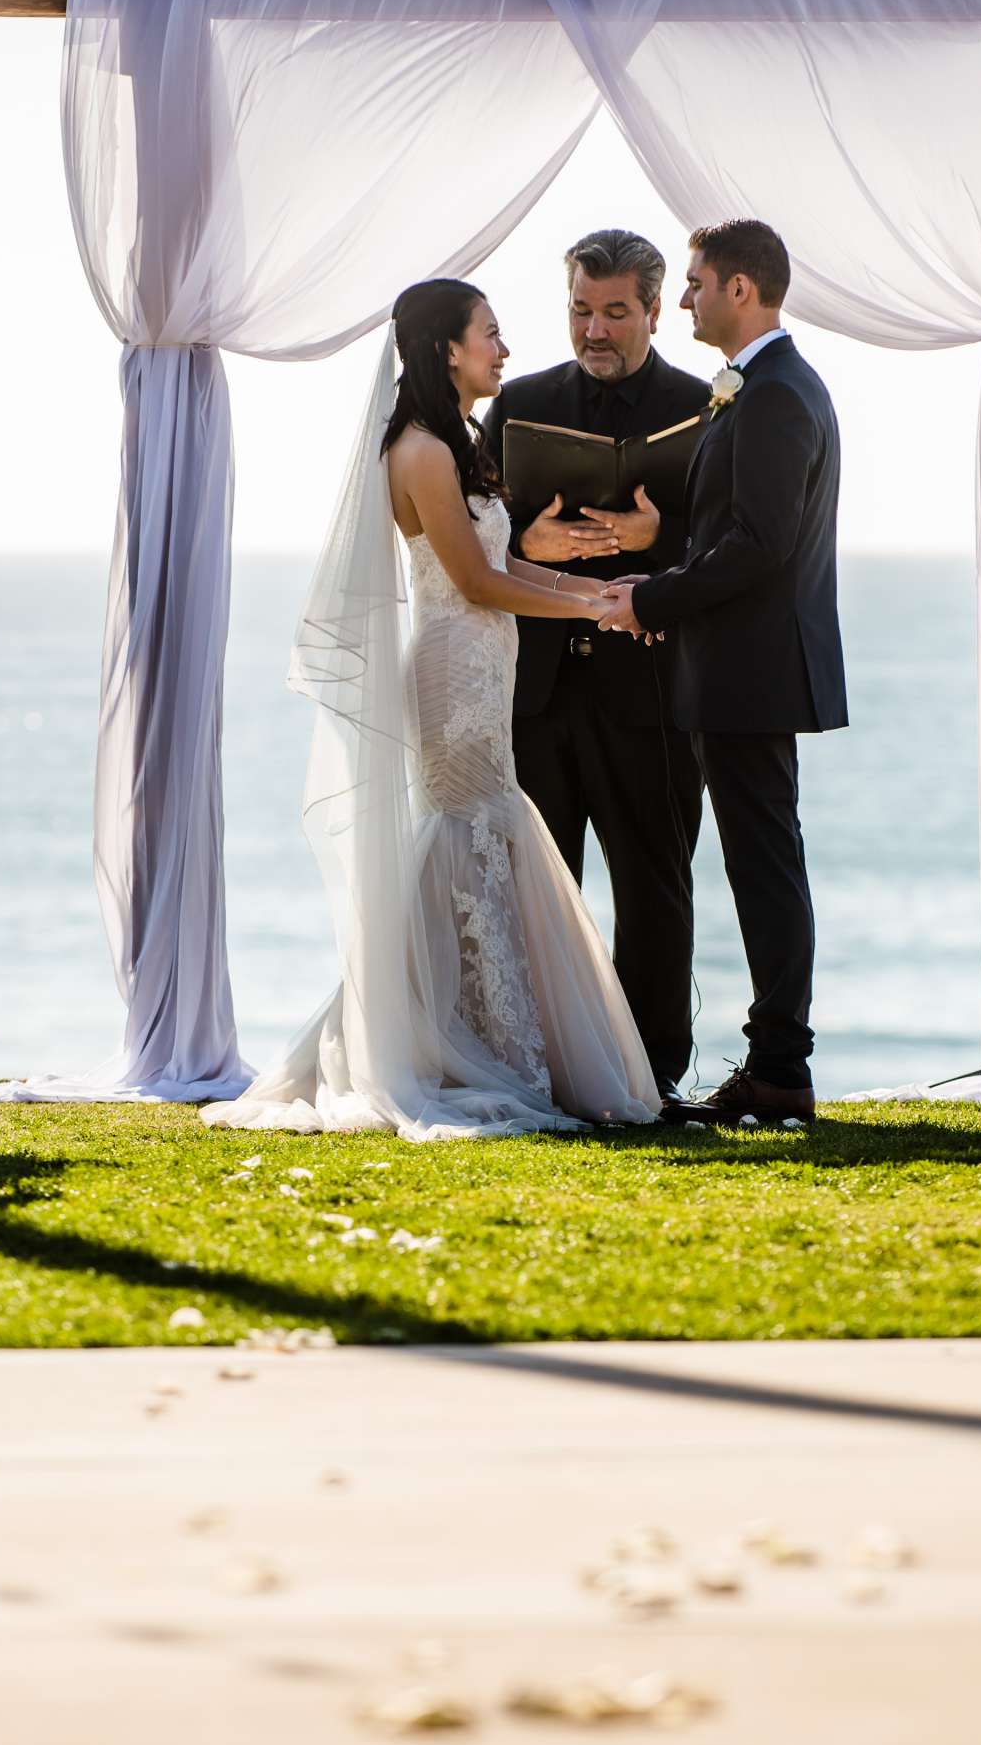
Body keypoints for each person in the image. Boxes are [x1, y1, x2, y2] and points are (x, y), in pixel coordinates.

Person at [203, 280, 661, 1140]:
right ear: (448, 348)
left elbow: (513, 568)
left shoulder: (461, 441)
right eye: (490, 333)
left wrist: (599, 592)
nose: (504, 348)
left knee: (482, 845)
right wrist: (596, 607)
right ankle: (458, 1043)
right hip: (452, 679)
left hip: (486, 671)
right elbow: (478, 582)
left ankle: (475, 1035)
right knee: (468, 842)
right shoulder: (417, 450)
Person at [598, 219, 843, 1128]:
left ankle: (780, 1066)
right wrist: (658, 576)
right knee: (760, 865)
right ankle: (777, 1059)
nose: (688, 298)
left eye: (697, 282)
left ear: (742, 289)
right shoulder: (758, 388)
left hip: (750, 674)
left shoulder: (775, 393)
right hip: (739, 668)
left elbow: (758, 545)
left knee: (766, 867)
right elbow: (726, 536)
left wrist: (652, 602)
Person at [481, 231, 709, 1104]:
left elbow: (732, 544)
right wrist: (523, 537)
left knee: (656, 887)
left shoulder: (705, 406)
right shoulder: (522, 402)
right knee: (538, 890)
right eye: (582, 310)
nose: (596, 329)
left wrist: (664, 540)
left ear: (654, 310)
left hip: (650, 691)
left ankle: (651, 1078)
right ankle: (540, 1069)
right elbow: (468, 535)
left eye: (616, 313)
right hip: (535, 691)